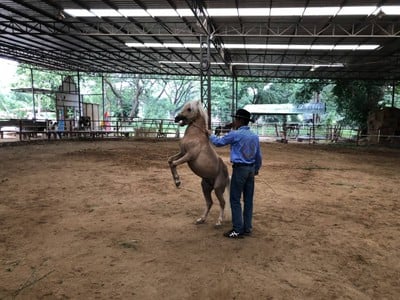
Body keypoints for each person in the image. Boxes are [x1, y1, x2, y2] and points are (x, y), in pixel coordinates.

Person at [209, 108, 262, 238]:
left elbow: (218, 142)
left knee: (235, 199)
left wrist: (210, 134)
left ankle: (237, 229)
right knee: (248, 199)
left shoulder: (235, 134)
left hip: (240, 169)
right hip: (251, 169)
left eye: (236, 119)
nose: (234, 122)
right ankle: (247, 228)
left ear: (240, 120)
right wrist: (256, 169)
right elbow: (258, 156)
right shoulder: (254, 136)